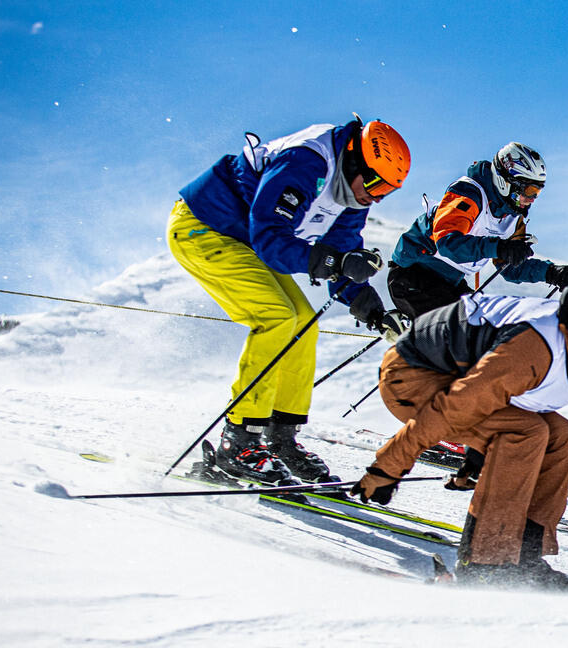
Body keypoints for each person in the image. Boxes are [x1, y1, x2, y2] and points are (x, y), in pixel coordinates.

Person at [351, 277, 568, 591]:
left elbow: (501, 396)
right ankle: (486, 563)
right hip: (411, 378)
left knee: (563, 438)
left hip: (459, 381)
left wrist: (478, 458)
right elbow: (456, 407)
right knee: (527, 432)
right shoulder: (534, 350)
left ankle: (524, 556)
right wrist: (387, 467)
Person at [167, 116, 411, 483]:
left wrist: (372, 310)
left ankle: (278, 438)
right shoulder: (305, 162)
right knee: (277, 317)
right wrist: (336, 262)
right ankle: (239, 440)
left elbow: (343, 252)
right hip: (204, 227)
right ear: (354, 159)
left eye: (387, 192)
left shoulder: (353, 195)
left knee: (304, 325)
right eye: (375, 183)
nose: (374, 196)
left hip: (245, 242)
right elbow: (270, 238)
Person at [386, 142, 568, 320]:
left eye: (537, 193)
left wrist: (551, 273)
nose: (532, 199)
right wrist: (499, 247)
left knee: (485, 328)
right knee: (462, 334)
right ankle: (416, 343)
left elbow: (511, 267)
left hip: (448, 283)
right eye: (529, 191)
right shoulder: (469, 193)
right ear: (507, 181)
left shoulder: (512, 218)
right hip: (413, 275)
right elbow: (448, 244)